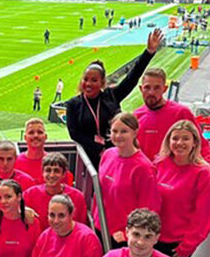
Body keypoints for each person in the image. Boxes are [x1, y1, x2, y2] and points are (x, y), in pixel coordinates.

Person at [65, 29, 164, 169]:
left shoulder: (111, 96)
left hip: (118, 155)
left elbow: (132, 78)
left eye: (94, 80)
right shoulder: (73, 104)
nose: (88, 84)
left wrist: (149, 52)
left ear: (102, 83)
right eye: (85, 79)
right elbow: (74, 133)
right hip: (89, 159)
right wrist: (99, 149)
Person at [155, 120, 210, 257]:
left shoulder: (201, 173)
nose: (179, 143)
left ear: (194, 142)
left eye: (185, 139)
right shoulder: (159, 164)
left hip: (177, 243)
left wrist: (188, 245)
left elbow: (205, 213)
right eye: (175, 138)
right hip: (152, 237)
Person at [94, 113, 161, 247]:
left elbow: (149, 209)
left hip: (121, 236)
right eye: (114, 131)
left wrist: (128, 234)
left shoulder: (143, 168)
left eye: (124, 131)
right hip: (100, 226)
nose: (118, 135)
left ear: (135, 132)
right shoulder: (108, 155)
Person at [133, 68, 210, 163]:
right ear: (141, 89)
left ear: (164, 89)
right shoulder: (136, 117)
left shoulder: (181, 113)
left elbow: (200, 143)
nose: (151, 92)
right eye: (147, 87)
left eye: (157, 88)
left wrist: (205, 165)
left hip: (173, 171)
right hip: (145, 171)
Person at [24, 152, 87, 232]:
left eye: (56, 171)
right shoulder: (30, 194)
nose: (52, 175)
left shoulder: (77, 196)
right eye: (48, 170)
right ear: (42, 172)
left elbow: (81, 226)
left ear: (64, 174)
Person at [14, 118, 74, 186]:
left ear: (45, 137)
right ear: (25, 137)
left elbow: (67, 188)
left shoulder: (55, 162)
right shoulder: (15, 162)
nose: (36, 136)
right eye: (31, 132)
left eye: (40, 132)